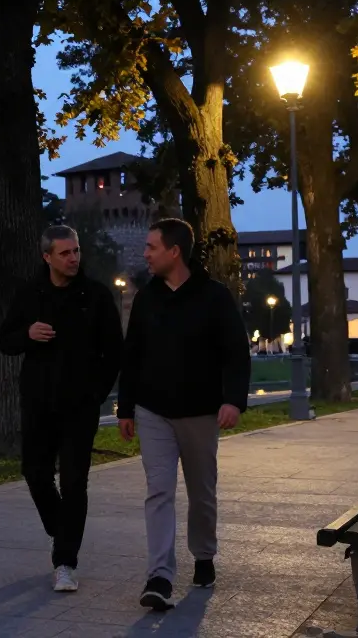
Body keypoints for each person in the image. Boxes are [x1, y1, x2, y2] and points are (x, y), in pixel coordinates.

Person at [118, 218, 251, 611]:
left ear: (174, 251)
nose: (145, 253)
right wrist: (126, 408)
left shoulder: (214, 297)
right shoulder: (146, 298)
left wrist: (233, 400)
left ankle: (204, 555)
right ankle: (159, 575)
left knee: (201, 492)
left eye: (151, 247)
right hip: (153, 410)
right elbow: (133, 357)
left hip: (199, 412)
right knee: (158, 491)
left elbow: (235, 353)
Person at [0, 224, 123, 593]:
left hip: (79, 407)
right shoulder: (29, 295)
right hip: (37, 403)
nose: (73, 258)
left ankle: (65, 562)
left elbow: (114, 351)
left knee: (74, 482)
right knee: (35, 473)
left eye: (77, 251)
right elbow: (5, 340)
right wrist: (27, 335)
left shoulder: (96, 296)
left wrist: (96, 393)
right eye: (65, 253)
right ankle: (63, 528)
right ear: (47, 257)